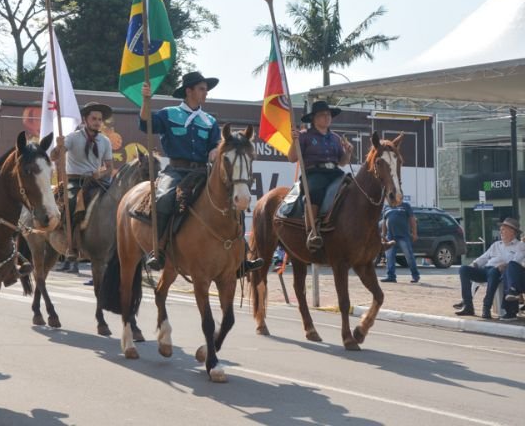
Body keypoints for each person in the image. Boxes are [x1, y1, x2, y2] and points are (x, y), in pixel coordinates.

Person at [139, 71, 263, 274]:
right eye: (202, 89)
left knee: (232, 202)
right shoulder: (168, 114)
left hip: (202, 172)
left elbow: (216, 144)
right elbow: (146, 123)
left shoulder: (209, 120)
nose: (206, 93)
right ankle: (158, 250)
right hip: (176, 171)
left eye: (206, 90)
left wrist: (215, 151)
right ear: (189, 91)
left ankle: (241, 256)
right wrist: (146, 100)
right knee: (163, 198)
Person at [54, 102, 114, 273]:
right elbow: (53, 157)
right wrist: (58, 146)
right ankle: (71, 246)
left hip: (97, 181)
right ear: (85, 120)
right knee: (71, 203)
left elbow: (109, 167)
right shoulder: (73, 137)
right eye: (94, 119)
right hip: (75, 181)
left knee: (116, 202)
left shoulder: (105, 141)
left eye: (100, 119)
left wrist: (100, 174)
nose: (97, 122)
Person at [287, 100, 354, 250]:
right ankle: (312, 232)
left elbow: (342, 162)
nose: (327, 117)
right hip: (314, 173)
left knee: (353, 189)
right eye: (323, 115)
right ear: (314, 118)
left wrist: (348, 152)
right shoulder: (304, 136)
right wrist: (294, 141)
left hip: (334, 172)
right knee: (315, 192)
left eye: (328, 115)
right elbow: (291, 158)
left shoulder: (336, 138)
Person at [455, 217, 525, 319]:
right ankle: (468, 306)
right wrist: (474, 264)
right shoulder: (496, 245)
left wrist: (504, 265)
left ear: (512, 232)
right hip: (486, 270)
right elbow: (484, 258)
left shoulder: (519, 246)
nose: (501, 231)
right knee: (463, 269)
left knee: (493, 272)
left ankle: (486, 307)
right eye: (500, 229)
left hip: (500, 272)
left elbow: (515, 262)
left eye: (504, 229)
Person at [380, 201, 420, 283]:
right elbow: (384, 221)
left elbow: (412, 219)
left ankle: (415, 276)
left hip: (403, 235)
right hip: (390, 236)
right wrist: (383, 235)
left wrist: (414, 233)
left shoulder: (405, 205)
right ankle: (391, 276)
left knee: (409, 256)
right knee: (389, 257)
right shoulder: (386, 206)